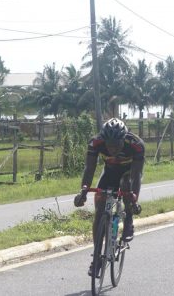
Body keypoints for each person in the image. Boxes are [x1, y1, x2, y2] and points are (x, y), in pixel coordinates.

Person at [74, 118, 144, 275]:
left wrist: (133, 199)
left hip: (129, 173)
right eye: (109, 144)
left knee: (127, 185)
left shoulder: (136, 145)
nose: (112, 148)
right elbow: (89, 168)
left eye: (116, 144)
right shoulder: (96, 143)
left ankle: (128, 220)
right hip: (109, 172)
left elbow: (136, 175)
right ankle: (97, 258)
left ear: (123, 139)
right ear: (104, 140)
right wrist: (83, 191)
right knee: (99, 212)